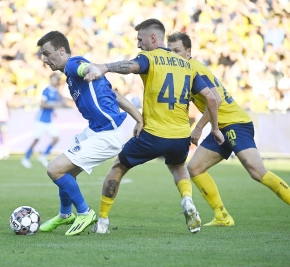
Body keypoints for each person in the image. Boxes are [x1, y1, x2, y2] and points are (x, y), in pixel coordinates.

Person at [84, 18, 224, 234]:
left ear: (152, 37)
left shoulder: (149, 57)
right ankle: (187, 200)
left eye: (140, 39)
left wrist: (105, 67)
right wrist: (212, 129)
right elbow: (213, 99)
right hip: (180, 137)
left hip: (153, 134)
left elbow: (131, 66)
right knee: (178, 167)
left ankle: (102, 222)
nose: (138, 44)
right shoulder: (187, 65)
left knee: (118, 167)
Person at [166, 31, 290, 230]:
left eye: (177, 51)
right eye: (170, 51)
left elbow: (216, 100)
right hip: (219, 126)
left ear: (188, 52)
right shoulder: (180, 73)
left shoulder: (195, 69)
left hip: (236, 123)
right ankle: (222, 216)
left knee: (256, 171)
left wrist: (199, 127)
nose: (173, 55)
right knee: (194, 168)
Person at [36, 31, 144, 236]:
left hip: (106, 135)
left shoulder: (72, 64)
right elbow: (115, 95)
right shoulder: (70, 77)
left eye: (47, 53)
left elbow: (82, 66)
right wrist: (138, 118)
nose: (45, 60)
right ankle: (65, 214)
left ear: (61, 50)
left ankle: (85, 212)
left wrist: (90, 69)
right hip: (95, 131)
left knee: (54, 169)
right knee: (65, 173)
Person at [21, 74, 62, 169]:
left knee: (56, 138)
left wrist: (54, 111)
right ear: (50, 80)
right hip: (41, 119)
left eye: (56, 79)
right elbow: (43, 104)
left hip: (49, 120)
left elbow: (52, 104)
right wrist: (54, 105)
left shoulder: (56, 92)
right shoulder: (46, 90)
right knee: (36, 139)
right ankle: (26, 158)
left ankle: (43, 155)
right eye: (53, 79)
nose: (54, 81)